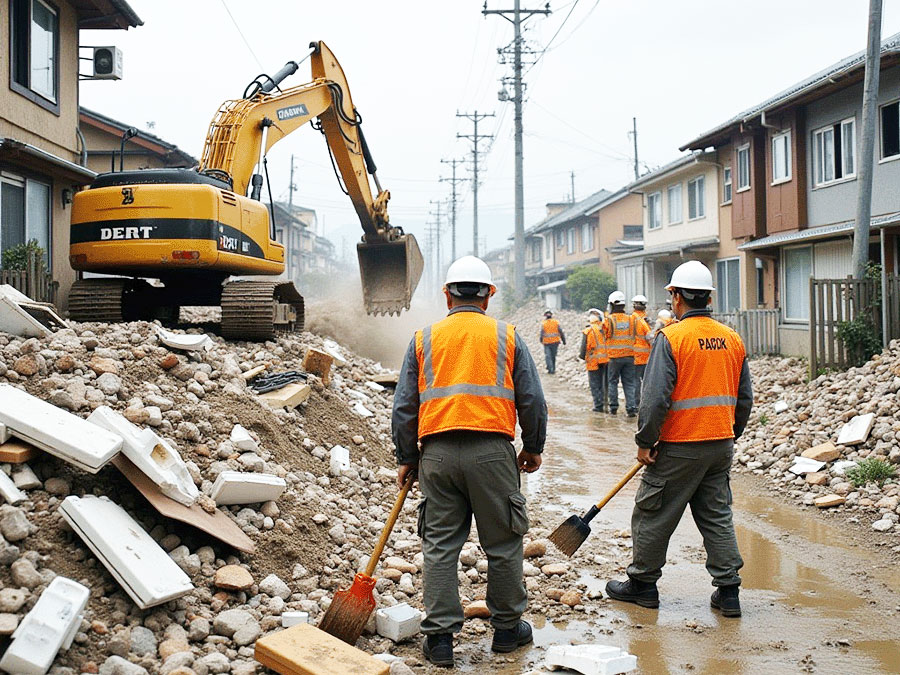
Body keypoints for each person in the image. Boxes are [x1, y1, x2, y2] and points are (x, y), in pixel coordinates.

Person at [392, 255, 548, 667]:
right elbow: (532, 399)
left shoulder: (424, 338)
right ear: (489, 294)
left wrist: (407, 457)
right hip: (493, 455)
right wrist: (532, 447)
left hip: (437, 455)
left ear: (447, 294)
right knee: (502, 543)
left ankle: (440, 640)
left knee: (440, 545)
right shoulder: (507, 336)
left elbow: (404, 406)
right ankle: (507, 630)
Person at [606, 260, 753, 617]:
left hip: (680, 446)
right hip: (720, 444)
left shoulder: (671, 337)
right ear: (707, 297)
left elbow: (655, 397)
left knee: (652, 512)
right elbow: (744, 397)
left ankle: (642, 585)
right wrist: (729, 434)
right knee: (716, 514)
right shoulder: (732, 338)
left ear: (675, 296)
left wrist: (645, 441)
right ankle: (728, 590)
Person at [603, 291, 649, 417]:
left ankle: (613, 407)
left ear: (612, 304)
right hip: (630, 356)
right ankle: (631, 408)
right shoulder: (631, 319)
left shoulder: (609, 320)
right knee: (629, 383)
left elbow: (605, 334)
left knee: (613, 382)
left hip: (614, 357)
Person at [579, 308, 608, 412]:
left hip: (593, 362)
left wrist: (582, 357)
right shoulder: (603, 329)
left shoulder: (588, 331)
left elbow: (583, 348)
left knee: (595, 384)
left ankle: (598, 405)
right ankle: (606, 404)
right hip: (605, 360)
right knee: (604, 383)